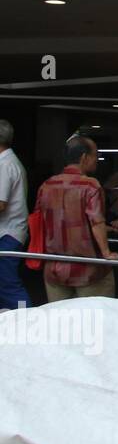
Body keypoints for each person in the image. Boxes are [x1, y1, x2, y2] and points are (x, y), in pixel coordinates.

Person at [35, 135, 118, 300]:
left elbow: (39, 220)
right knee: (94, 321)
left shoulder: (47, 185)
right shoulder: (90, 185)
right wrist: (106, 253)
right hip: (89, 269)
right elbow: (96, 222)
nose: (97, 159)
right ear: (83, 157)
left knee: (60, 321)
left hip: (54, 265)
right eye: (95, 154)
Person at [0, 120, 31, 310]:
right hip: (9, 232)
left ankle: (25, 317)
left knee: (8, 283)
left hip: (7, 234)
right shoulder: (8, 162)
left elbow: (0, 204)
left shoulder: (4, 165)